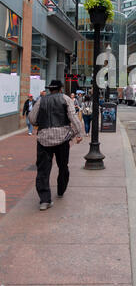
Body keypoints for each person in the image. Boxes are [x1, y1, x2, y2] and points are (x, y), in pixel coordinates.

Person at [29, 80, 82, 211]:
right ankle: (61, 189)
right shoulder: (65, 99)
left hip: (44, 139)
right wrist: (77, 133)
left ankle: (44, 200)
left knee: (43, 170)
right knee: (63, 166)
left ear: (49, 89)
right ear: (60, 88)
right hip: (62, 139)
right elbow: (73, 117)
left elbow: (32, 118)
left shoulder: (41, 100)